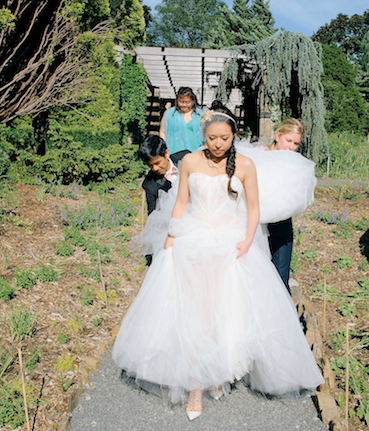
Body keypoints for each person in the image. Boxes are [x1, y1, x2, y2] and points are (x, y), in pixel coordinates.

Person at [113, 101, 323, 421]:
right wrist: (171, 235)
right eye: (212, 138)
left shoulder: (246, 165)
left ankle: (219, 370)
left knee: (225, 309)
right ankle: (196, 382)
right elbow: (181, 200)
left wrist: (248, 239)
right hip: (193, 238)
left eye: (224, 138)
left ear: (233, 135)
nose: (218, 144)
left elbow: (253, 208)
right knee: (195, 309)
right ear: (204, 135)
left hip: (231, 240)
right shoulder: (190, 163)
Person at [264, 118, 305, 292]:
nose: (291, 147)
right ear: (277, 135)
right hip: (258, 221)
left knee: (281, 273)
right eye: (288, 141)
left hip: (281, 221)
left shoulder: (295, 163)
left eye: (296, 143)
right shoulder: (262, 155)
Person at [137, 136, 189, 265]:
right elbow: (154, 216)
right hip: (176, 224)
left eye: (157, 163)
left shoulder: (186, 157)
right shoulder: (150, 185)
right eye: (150, 165)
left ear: (166, 153)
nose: (154, 168)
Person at [159, 87, 204, 154]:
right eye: (181, 102)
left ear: (192, 101)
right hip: (173, 153)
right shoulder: (169, 114)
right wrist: (164, 149)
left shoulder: (200, 114)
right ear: (177, 101)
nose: (184, 105)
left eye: (187, 102)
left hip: (195, 154)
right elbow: (162, 131)